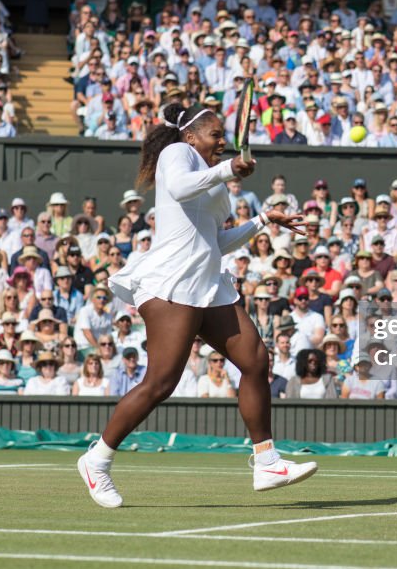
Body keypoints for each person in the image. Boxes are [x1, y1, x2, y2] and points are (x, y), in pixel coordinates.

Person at [78, 102, 316, 509]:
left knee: (257, 361)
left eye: (225, 136)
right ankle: (96, 460)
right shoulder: (177, 154)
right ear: (191, 137)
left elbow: (216, 242)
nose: (223, 142)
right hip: (172, 283)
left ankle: (267, 462)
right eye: (216, 135)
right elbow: (181, 188)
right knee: (160, 383)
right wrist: (229, 170)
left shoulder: (215, 183)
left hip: (207, 285)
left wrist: (262, 222)